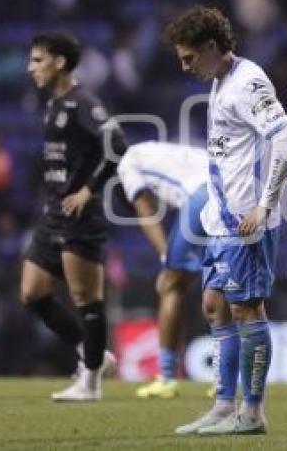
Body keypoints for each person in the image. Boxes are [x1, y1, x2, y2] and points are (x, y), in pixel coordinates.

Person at [163, 6, 287, 436]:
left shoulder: (248, 80)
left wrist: (263, 205)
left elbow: (286, 141)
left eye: (189, 58)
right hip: (220, 221)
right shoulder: (221, 81)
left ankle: (253, 413)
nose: (186, 67)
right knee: (213, 306)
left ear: (210, 46)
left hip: (246, 221)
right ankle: (223, 406)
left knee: (246, 309)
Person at [21, 32, 127, 401]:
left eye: (37, 60)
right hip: (53, 216)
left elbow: (118, 145)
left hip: (80, 216)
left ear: (60, 63)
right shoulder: (54, 104)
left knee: (86, 299)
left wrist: (89, 190)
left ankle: (92, 383)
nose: (30, 67)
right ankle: (94, 354)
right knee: (33, 294)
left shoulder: (83, 102)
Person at [116, 140, 211, 399]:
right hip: (235, 193)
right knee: (218, 286)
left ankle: (167, 377)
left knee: (170, 285)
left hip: (202, 197)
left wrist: (165, 257)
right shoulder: (171, 152)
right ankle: (225, 379)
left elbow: (145, 212)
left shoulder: (128, 163)